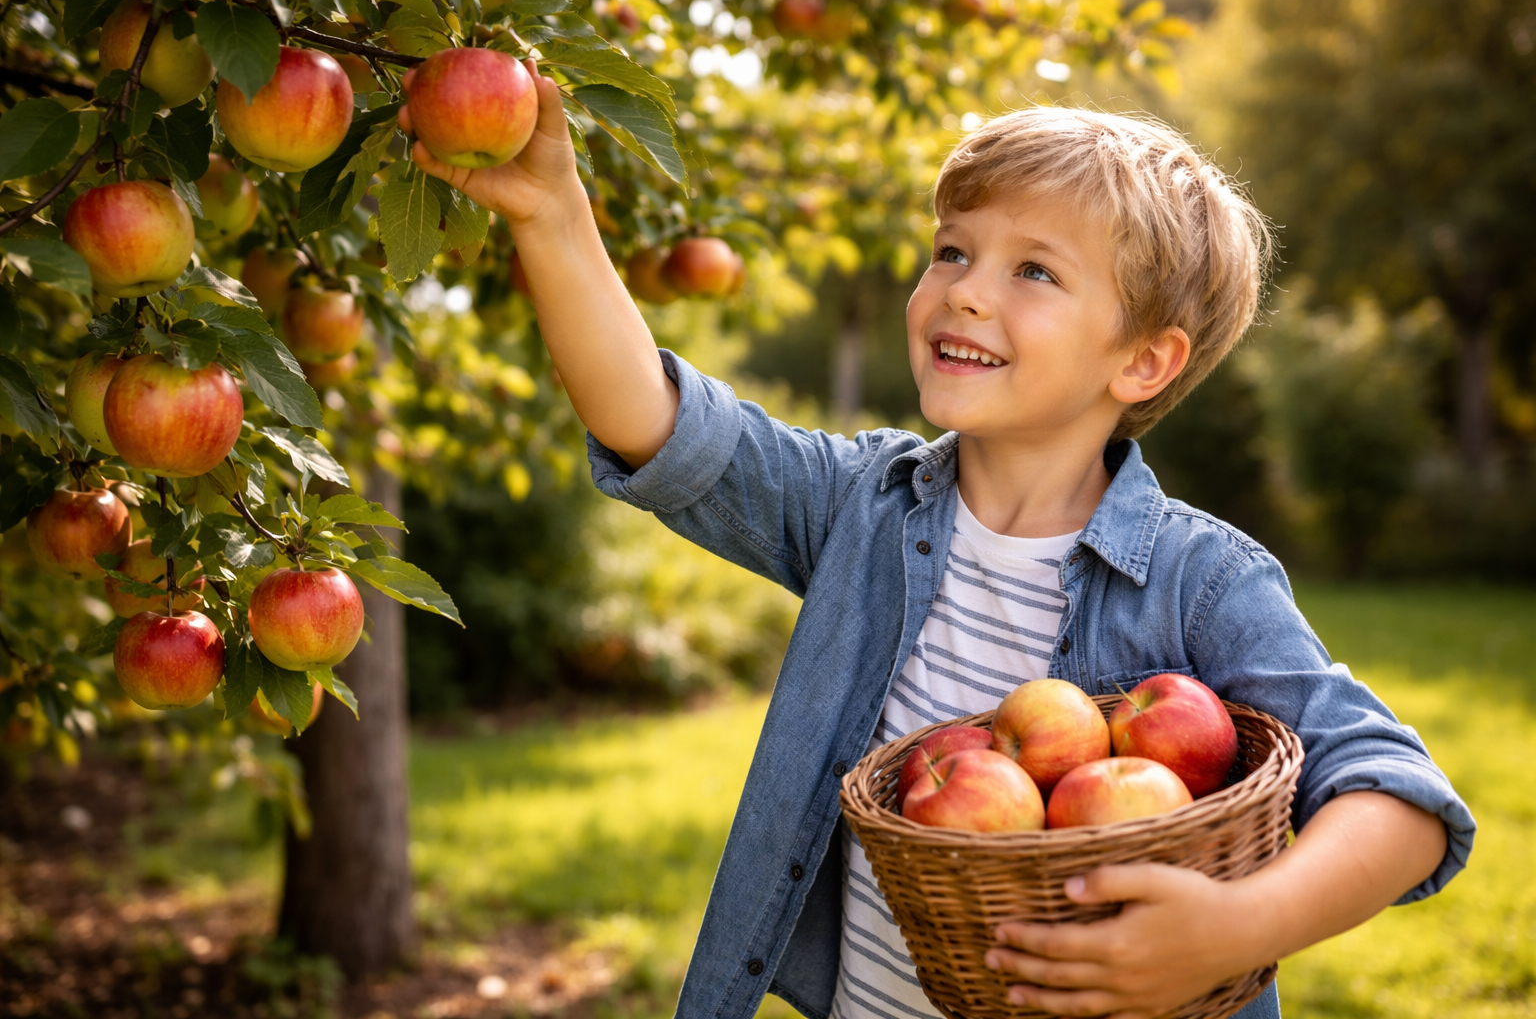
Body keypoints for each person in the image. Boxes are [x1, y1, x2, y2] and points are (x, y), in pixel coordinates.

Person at [406, 61, 1475, 1019]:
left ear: (1143, 362)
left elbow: (1400, 798)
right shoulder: (863, 504)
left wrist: (1239, 929)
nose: (962, 286)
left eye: (1034, 271)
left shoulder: (1200, 582)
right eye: (953, 250)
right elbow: (659, 423)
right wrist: (552, 215)